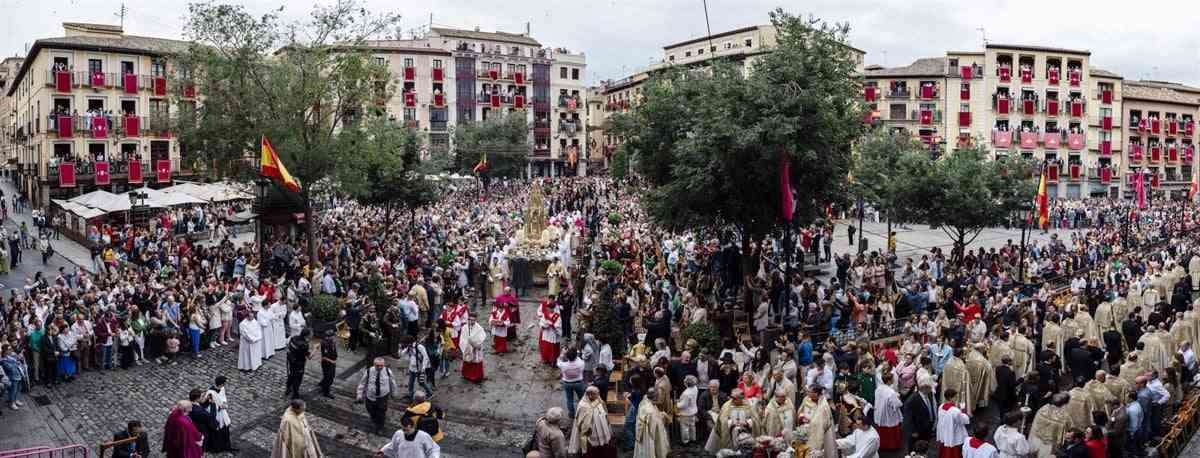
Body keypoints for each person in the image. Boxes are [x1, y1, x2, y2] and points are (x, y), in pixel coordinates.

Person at [569, 386, 615, 458]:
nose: (598, 395)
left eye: (598, 393)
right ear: (590, 395)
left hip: (602, 429)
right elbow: (581, 421)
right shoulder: (583, 406)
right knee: (592, 450)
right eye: (596, 394)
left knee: (604, 447)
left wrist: (606, 419)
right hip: (590, 433)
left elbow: (605, 411)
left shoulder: (598, 400)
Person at [358, 357, 397, 433]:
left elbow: (393, 383)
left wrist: (394, 393)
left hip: (383, 397)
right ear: (374, 364)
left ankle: (380, 427)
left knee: (381, 412)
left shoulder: (388, 371)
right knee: (370, 410)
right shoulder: (369, 371)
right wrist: (359, 394)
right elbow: (362, 383)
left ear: (384, 364)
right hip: (370, 396)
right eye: (377, 365)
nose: (379, 367)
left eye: (381, 365)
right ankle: (374, 419)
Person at [377, 416, 441, 458]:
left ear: (412, 426)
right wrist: (382, 451)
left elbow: (433, 449)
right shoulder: (399, 433)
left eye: (407, 430)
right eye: (403, 429)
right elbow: (392, 445)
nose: (405, 432)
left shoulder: (423, 436)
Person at [634, 387, 669, 458]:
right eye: (659, 395)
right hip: (648, 435)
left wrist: (660, 414)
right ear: (655, 398)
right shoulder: (650, 411)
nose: (661, 397)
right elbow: (656, 426)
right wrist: (663, 416)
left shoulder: (645, 400)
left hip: (641, 431)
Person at [205, 376, 236, 453]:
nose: (225, 385)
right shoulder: (210, 392)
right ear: (220, 384)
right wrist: (218, 407)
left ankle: (226, 445)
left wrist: (224, 403)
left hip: (222, 412)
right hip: (216, 414)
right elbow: (208, 405)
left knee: (225, 428)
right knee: (217, 429)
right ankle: (217, 447)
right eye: (224, 383)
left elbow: (223, 397)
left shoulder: (222, 388)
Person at [874, 371, 903, 451]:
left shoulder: (878, 389)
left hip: (879, 413)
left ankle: (882, 445)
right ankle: (891, 447)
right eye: (893, 379)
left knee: (882, 431)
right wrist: (899, 398)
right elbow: (897, 404)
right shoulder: (891, 392)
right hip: (889, 414)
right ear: (889, 381)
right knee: (890, 432)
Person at [936, 389, 970, 458]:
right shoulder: (955, 411)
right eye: (955, 397)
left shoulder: (941, 406)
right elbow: (964, 421)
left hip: (944, 434)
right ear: (951, 398)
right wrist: (963, 410)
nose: (956, 398)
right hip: (954, 436)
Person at [904, 378, 938, 447]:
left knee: (925, 447)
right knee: (915, 449)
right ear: (923, 388)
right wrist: (913, 431)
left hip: (928, 428)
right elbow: (908, 418)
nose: (931, 389)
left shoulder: (929, 394)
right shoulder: (912, 400)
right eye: (930, 387)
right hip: (918, 431)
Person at [400, 336, 433, 400]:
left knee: (421, 382)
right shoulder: (409, 347)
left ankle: (430, 393)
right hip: (412, 368)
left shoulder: (419, 347)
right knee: (410, 383)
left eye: (406, 343)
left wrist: (423, 368)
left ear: (409, 342)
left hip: (419, 369)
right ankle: (411, 395)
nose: (405, 345)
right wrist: (403, 349)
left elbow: (426, 357)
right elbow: (401, 354)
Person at [187, 389, 219, 453]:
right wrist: (213, 404)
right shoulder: (200, 412)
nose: (203, 397)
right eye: (202, 397)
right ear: (197, 399)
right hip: (202, 430)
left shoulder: (189, 405)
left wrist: (206, 401)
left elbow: (200, 406)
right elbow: (211, 417)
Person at [459, 314, 487, 383]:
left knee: (476, 361)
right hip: (467, 348)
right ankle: (466, 375)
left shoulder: (479, 328)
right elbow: (462, 338)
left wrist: (476, 344)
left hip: (476, 348)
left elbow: (482, 337)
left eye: (473, 320)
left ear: (475, 320)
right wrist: (467, 345)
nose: (471, 321)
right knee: (467, 360)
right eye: (470, 320)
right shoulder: (464, 327)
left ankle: (476, 376)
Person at [558, 348, 586, 416]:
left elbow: (558, 361)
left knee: (569, 399)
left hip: (567, 383)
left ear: (567, 357)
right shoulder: (581, 364)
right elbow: (581, 361)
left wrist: (562, 354)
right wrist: (577, 354)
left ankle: (571, 413)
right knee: (581, 398)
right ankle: (583, 411)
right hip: (578, 382)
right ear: (576, 356)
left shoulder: (563, 365)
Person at [286, 329, 312, 399]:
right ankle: (295, 394)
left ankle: (288, 388)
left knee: (291, 375)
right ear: (306, 335)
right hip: (299, 364)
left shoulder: (294, 338)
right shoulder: (304, 344)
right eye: (310, 334)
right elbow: (309, 357)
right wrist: (315, 349)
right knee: (298, 379)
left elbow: (288, 346)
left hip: (291, 361)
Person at [675, 376, 699, 445]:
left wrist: (677, 403)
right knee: (692, 426)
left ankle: (686, 441)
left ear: (686, 383)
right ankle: (693, 439)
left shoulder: (686, 393)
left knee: (685, 428)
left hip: (686, 413)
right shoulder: (695, 388)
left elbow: (683, 405)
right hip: (693, 411)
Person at [319, 330, 338, 398]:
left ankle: (322, 385)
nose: (334, 338)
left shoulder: (332, 342)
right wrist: (332, 361)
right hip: (327, 364)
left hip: (332, 363)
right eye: (333, 336)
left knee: (330, 376)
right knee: (329, 379)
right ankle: (326, 392)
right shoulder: (325, 344)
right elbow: (324, 357)